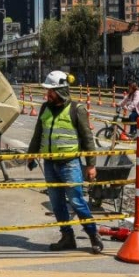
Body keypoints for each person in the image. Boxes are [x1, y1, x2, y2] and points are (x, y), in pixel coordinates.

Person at [27, 70, 105, 254]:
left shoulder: (76, 109)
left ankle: (93, 235)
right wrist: (31, 155)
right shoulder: (45, 108)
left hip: (70, 164)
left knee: (77, 201)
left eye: (51, 91)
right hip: (49, 164)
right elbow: (38, 134)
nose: (48, 94)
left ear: (61, 90)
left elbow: (87, 138)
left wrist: (91, 165)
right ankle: (67, 237)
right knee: (57, 203)